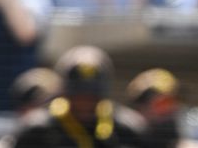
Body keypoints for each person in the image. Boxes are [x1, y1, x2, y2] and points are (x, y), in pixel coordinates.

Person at [10, 45, 148, 147]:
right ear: (65, 94)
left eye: (91, 97)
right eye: (78, 97)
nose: (84, 104)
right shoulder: (37, 130)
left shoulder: (127, 130)